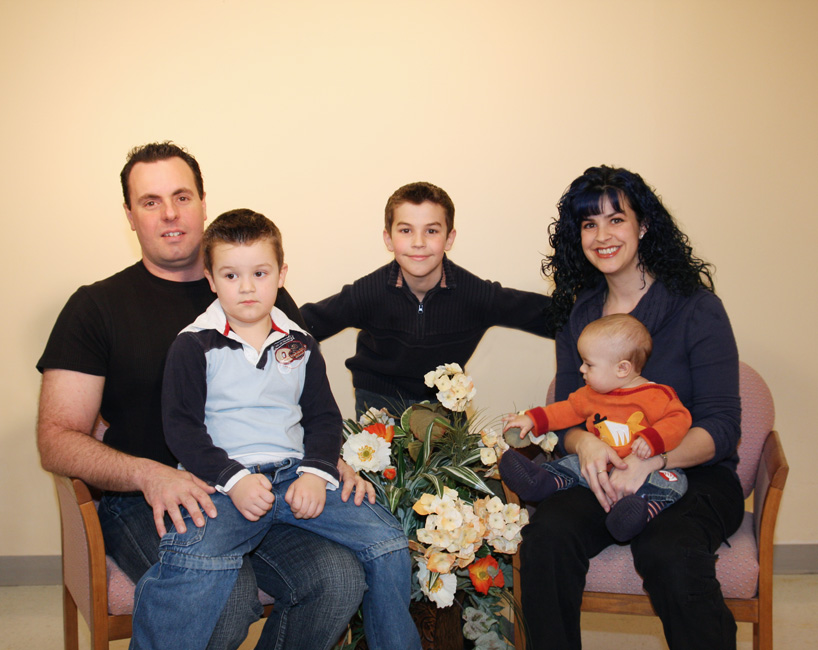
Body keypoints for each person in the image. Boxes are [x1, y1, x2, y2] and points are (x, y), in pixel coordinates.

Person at [36, 142, 372, 650]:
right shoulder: (96, 307)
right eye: (150, 201)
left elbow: (306, 401)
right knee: (224, 598)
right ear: (129, 215)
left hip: (263, 489)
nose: (170, 214)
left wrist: (325, 461)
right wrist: (149, 474)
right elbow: (56, 438)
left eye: (182, 197)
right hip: (149, 502)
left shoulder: (260, 290)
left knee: (340, 579)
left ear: (202, 202)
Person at [130, 209, 420, 650]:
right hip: (224, 486)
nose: (247, 287)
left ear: (281, 275)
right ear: (211, 279)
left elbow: (323, 417)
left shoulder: (299, 343)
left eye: (260, 273)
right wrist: (235, 480)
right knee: (194, 561)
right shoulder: (193, 344)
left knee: (388, 543)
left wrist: (316, 472)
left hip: (295, 477)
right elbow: (181, 429)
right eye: (231, 275)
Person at [520, 166, 743, 650]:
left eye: (616, 219)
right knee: (546, 536)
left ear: (643, 226)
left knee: (668, 551)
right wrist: (584, 445)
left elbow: (723, 426)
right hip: (604, 473)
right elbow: (567, 411)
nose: (602, 235)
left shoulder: (696, 308)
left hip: (691, 473)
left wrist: (654, 461)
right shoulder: (578, 314)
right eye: (589, 224)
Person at [300, 181, 554, 416]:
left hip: (444, 407)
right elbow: (302, 324)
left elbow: (551, 317)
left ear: (449, 238)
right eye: (406, 230)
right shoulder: (367, 292)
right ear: (388, 239)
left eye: (431, 230)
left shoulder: (475, 294)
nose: (418, 242)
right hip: (378, 406)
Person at [499, 313, 691, 542]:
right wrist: (532, 419)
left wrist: (653, 439)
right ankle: (540, 482)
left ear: (622, 368)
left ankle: (635, 514)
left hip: (642, 472)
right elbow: (564, 410)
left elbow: (679, 419)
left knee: (673, 481)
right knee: (572, 463)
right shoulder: (590, 394)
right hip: (598, 469)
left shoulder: (656, 395)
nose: (581, 369)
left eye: (589, 364)